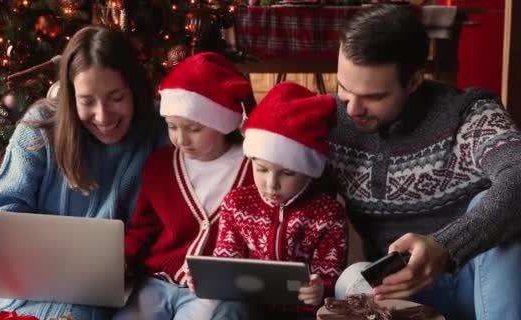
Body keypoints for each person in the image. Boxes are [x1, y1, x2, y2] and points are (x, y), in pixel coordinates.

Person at [0, 26, 167, 320]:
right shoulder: (40, 125)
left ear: (135, 88)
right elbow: (0, 210)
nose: (103, 115)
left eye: (116, 97)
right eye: (87, 101)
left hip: (100, 283)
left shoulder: (161, 131)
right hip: (15, 266)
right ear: (71, 97)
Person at [328, 4, 521, 320]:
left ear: (415, 81)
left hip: (482, 283)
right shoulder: (331, 122)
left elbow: (519, 173)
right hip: (401, 292)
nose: (352, 110)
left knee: (496, 204)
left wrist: (445, 248)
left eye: (374, 96)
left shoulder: (468, 113)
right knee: (351, 281)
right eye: (344, 89)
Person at [112, 52, 255, 320]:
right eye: (172, 127)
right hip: (157, 282)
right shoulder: (160, 165)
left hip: (214, 292)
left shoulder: (255, 171)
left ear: (223, 122)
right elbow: (143, 229)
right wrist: (120, 259)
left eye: (194, 129)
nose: (180, 139)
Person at [198, 81, 348, 320]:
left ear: (309, 169)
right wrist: (212, 279)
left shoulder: (328, 214)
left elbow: (331, 275)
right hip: (250, 305)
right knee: (228, 311)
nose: (271, 183)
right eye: (262, 169)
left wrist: (321, 289)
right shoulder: (237, 203)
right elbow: (226, 258)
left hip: (303, 311)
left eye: (287, 173)